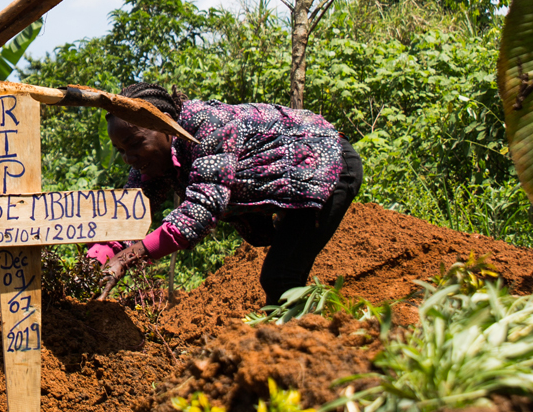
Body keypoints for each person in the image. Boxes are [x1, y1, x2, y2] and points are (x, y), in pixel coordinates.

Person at [92, 84, 363, 306]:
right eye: (120, 150)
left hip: (327, 168)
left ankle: (298, 354)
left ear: (166, 127)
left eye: (135, 144)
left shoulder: (207, 127)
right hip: (290, 186)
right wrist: (93, 263)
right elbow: (125, 218)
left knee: (280, 278)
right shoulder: (146, 163)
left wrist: (126, 258)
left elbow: (199, 211)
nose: (128, 158)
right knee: (282, 276)